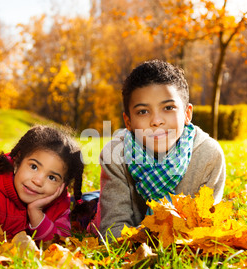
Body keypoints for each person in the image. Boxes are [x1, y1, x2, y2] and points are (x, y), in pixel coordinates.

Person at [96, 59, 226, 240]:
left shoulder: (209, 155)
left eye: (168, 108)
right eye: (143, 111)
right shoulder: (116, 155)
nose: (156, 121)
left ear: (187, 114)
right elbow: (111, 232)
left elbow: (206, 230)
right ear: (128, 122)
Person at [0, 125, 84, 241]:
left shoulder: (59, 206)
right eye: (34, 167)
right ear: (17, 162)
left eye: (52, 177)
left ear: (63, 185)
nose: (38, 181)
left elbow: (58, 247)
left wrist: (36, 212)